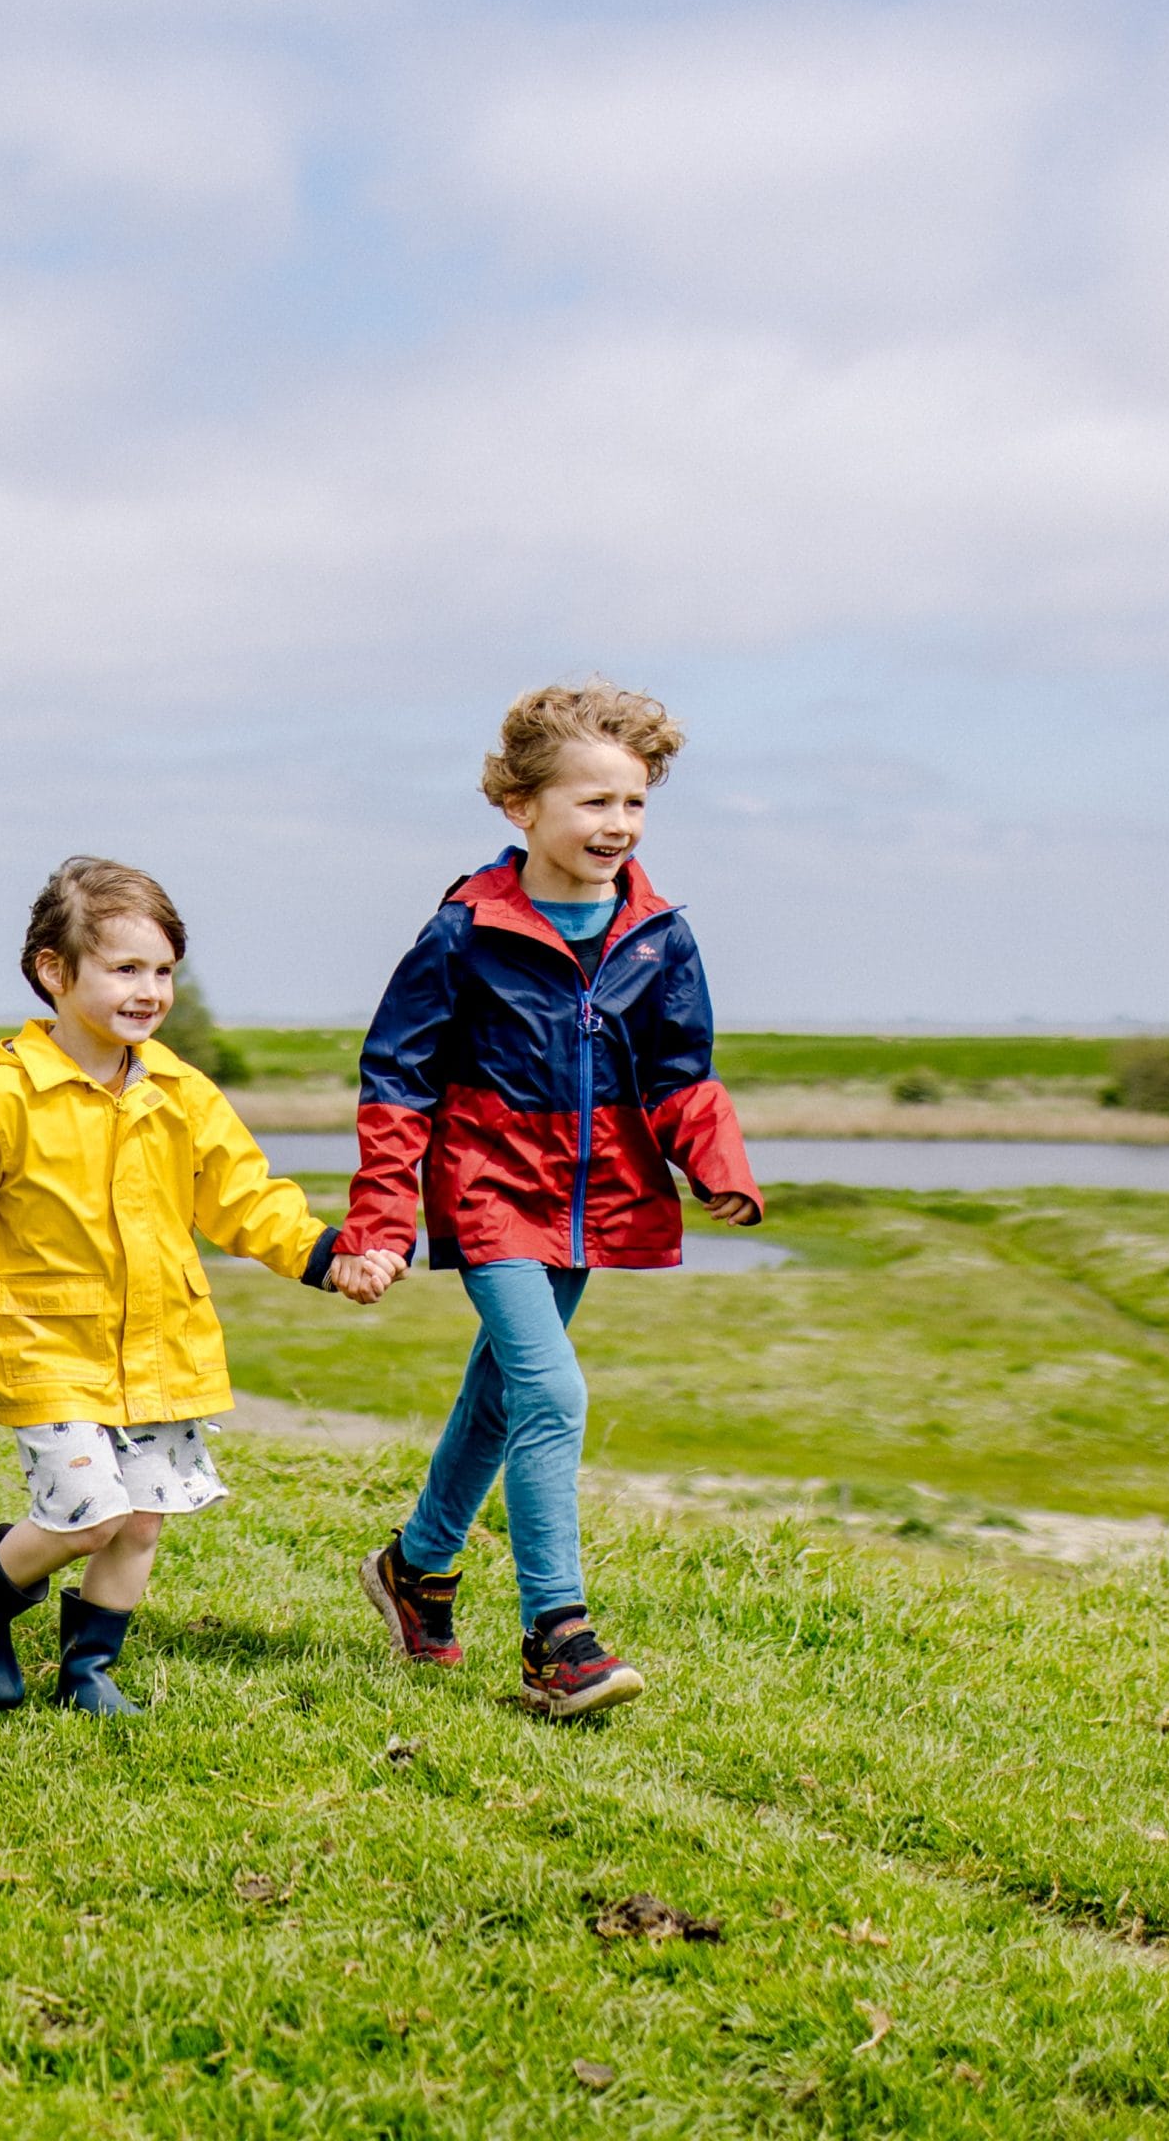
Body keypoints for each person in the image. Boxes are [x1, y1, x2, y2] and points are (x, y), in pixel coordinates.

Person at [331, 680, 761, 1718]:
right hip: (485, 1187)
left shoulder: (661, 936)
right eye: (593, 801)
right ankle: (557, 1641)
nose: (617, 824)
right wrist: (383, 1221)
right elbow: (397, 1081)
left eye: (635, 802)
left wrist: (718, 1163)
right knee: (554, 1394)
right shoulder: (463, 932)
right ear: (521, 807)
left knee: (504, 1390)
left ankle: (416, 1568)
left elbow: (677, 1074)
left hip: (594, 1197)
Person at [0, 858, 342, 1716]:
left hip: (161, 1344)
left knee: (142, 1519)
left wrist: (320, 1253)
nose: (149, 990)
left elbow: (241, 1196)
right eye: (125, 968)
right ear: (56, 970)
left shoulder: (181, 1092)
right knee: (86, 1516)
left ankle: (88, 1674)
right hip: (41, 1342)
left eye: (163, 971)